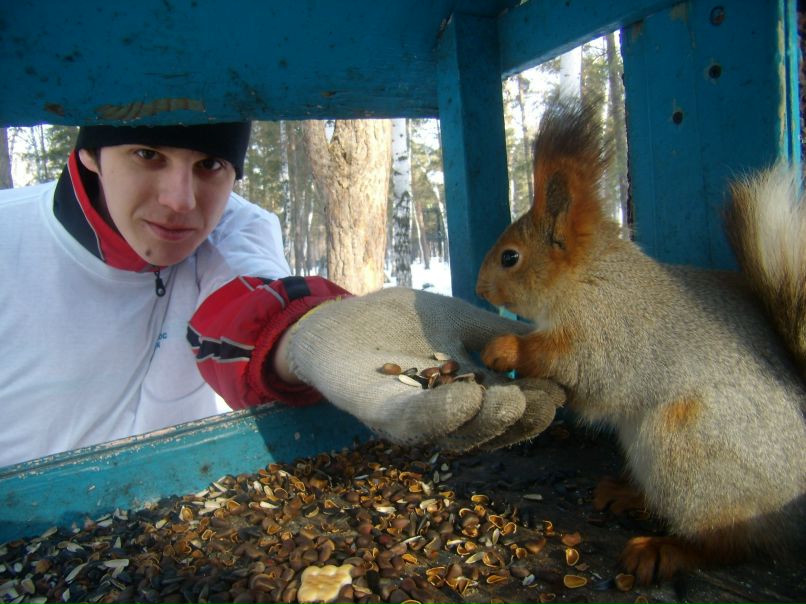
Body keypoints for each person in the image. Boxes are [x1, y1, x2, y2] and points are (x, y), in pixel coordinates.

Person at [0, 122, 564, 468]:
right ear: (91, 154)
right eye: (148, 154)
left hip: (178, 524)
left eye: (209, 165)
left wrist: (317, 333)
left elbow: (250, 303)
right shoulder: (9, 239)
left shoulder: (234, 227)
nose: (180, 201)